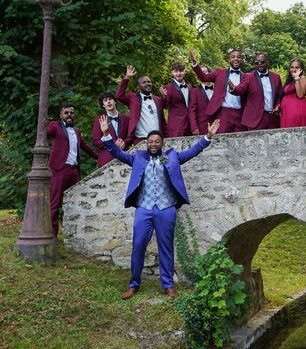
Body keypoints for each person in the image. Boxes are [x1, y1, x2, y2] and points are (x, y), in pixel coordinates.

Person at [99, 115, 220, 299]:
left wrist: (208, 137)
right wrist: (107, 134)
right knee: (138, 244)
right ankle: (134, 284)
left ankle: (168, 285)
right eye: (150, 142)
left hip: (166, 208)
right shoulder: (137, 157)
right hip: (144, 208)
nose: (153, 144)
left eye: (157, 142)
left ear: (162, 144)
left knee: (166, 246)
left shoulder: (173, 157)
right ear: (146, 144)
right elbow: (117, 153)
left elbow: (193, 151)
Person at [48, 104, 98, 237]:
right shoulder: (55, 126)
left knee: (77, 200)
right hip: (60, 169)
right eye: (66, 112)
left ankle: (76, 233)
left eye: (72, 112)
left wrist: (98, 157)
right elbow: (46, 133)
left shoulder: (76, 130)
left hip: (74, 171)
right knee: (55, 202)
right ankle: (52, 235)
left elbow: (85, 146)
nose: (69, 115)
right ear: (61, 114)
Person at [190, 49, 246, 133]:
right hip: (224, 113)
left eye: (238, 57)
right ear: (229, 60)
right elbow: (203, 77)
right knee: (222, 140)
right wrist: (195, 64)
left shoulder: (246, 76)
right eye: (233, 57)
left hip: (240, 114)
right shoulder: (220, 72)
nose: (236, 59)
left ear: (241, 59)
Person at [229, 52, 282, 130]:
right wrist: (233, 88)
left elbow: (280, 96)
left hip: (273, 118)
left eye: (262, 62)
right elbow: (240, 89)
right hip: (256, 119)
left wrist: (278, 106)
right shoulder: (248, 76)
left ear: (267, 62)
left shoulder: (276, 77)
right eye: (256, 63)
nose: (259, 64)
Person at [115, 65, 166, 145]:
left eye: (149, 82)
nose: (147, 84)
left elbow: (163, 119)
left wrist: (164, 96)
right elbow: (119, 96)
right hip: (140, 139)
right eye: (144, 82)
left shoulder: (158, 100)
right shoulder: (133, 98)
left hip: (157, 139)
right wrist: (127, 78)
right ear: (139, 87)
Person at [91, 92, 131, 167]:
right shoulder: (99, 119)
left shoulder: (126, 118)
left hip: (124, 157)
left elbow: (131, 136)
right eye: (105, 100)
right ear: (103, 105)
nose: (108, 101)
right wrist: (113, 143)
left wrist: (124, 143)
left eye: (110, 99)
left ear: (115, 102)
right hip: (106, 159)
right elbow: (95, 141)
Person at [160, 61, 191, 137]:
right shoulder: (167, 88)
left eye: (181, 71)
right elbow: (163, 106)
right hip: (176, 126)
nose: (178, 73)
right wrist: (164, 96)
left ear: (185, 71)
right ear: (172, 73)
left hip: (190, 124)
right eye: (176, 71)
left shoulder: (189, 87)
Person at [279, 58, 306, 128]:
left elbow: (300, 95)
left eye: (297, 67)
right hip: (287, 113)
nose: (294, 69)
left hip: (297, 111)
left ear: (301, 69)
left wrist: (297, 78)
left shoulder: (302, 78)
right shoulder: (289, 81)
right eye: (292, 67)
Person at [188, 65, 214, 135]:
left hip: (218, 127)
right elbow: (192, 111)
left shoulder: (217, 89)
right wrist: (194, 127)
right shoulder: (194, 92)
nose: (203, 74)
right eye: (201, 72)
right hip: (202, 128)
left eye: (205, 72)